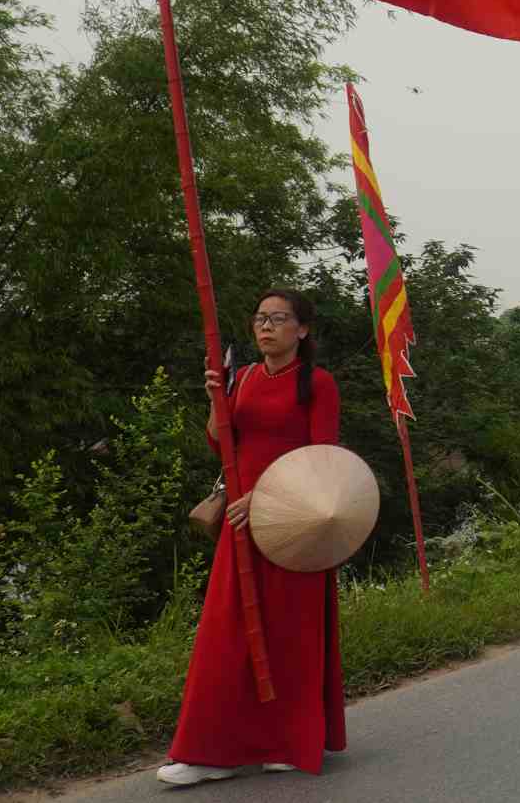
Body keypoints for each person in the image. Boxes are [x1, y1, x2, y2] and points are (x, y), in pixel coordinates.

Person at [159, 289, 345, 785]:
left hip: (293, 524)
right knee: (226, 635)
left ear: (301, 330)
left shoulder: (318, 385)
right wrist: (214, 401)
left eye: (279, 319)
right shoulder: (240, 379)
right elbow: (222, 443)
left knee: (289, 638)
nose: (267, 327)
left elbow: (322, 460)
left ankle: (285, 740)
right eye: (261, 319)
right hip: (241, 527)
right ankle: (208, 751)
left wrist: (264, 498)